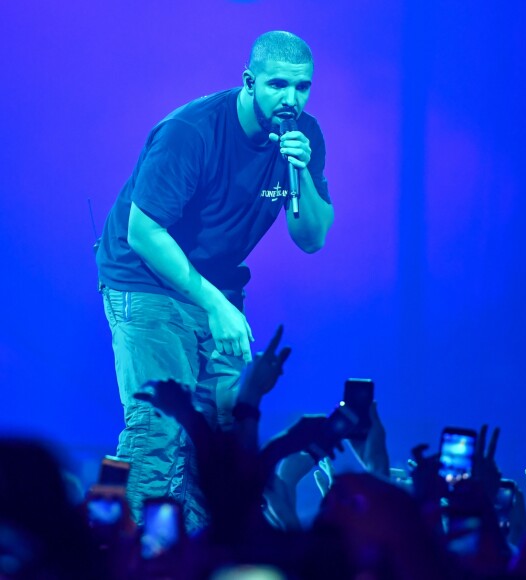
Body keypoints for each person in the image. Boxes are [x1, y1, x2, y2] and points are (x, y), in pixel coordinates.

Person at [95, 30, 333, 531]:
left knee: (219, 438)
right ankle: (127, 551)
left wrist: (303, 173)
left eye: (303, 87)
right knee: (159, 428)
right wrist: (216, 305)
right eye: (277, 85)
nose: (291, 99)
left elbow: (311, 238)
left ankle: (202, 553)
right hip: (146, 279)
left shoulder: (303, 138)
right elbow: (143, 231)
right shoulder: (193, 130)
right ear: (249, 82)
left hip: (218, 289)